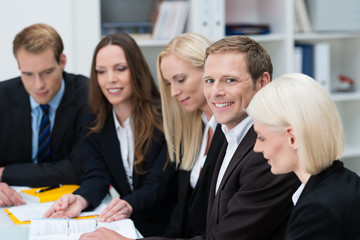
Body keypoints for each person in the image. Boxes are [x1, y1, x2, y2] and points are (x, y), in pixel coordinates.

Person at [79, 35, 300, 240]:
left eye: (230, 80)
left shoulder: (266, 150)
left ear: (262, 82)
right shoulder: (227, 131)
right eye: (210, 81)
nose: (215, 92)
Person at [44, 33, 176, 237]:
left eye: (120, 69)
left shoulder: (165, 117)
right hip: (127, 225)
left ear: (136, 70)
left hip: (166, 228)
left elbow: (158, 186)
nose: (110, 79)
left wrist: (127, 205)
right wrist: (80, 199)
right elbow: (96, 175)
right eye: (101, 72)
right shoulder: (94, 122)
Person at [247, 73, 360, 239]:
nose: (256, 148)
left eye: (261, 137)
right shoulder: (349, 182)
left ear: (292, 138)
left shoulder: (318, 210)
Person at [0, 23, 88, 207]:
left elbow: (78, 168)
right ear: (18, 67)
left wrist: (3, 173)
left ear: (62, 61)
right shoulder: (3, 97)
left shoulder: (87, 95)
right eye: (28, 74)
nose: (38, 85)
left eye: (47, 73)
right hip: (13, 205)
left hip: (71, 202)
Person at [157, 33, 226, 238]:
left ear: (208, 70)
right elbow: (182, 213)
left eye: (180, 79)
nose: (173, 92)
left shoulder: (232, 131)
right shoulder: (195, 127)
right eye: (169, 83)